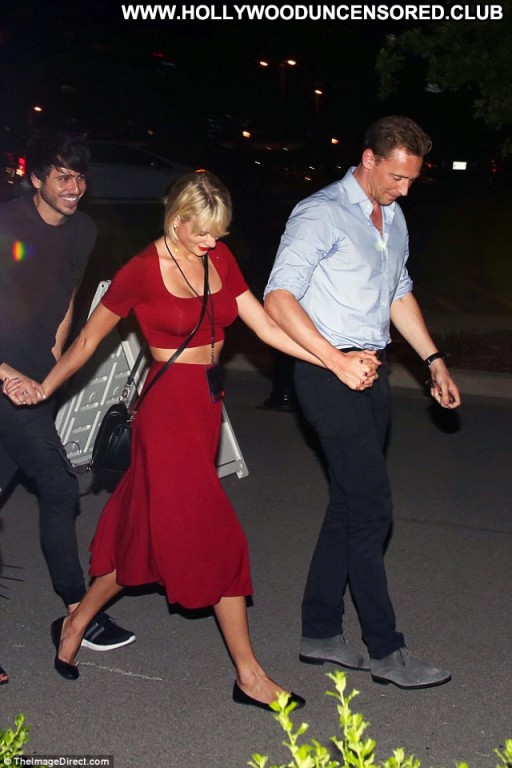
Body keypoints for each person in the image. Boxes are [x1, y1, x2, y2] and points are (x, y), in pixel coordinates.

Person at [6, 170, 324, 709]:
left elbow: (266, 327)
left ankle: (76, 621)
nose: (212, 242)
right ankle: (249, 676)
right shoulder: (140, 270)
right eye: (202, 232)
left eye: (219, 233)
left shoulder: (218, 258)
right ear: (177, 220)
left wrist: (332, 361)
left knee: (144, 532)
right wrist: (43, 387)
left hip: (206, 407)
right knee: (219, 535)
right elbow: (86, 341)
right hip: (166, 414)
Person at [263, 115, 461, 690]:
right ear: (369, 159)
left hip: (371, 373)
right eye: (397, 177)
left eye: (412, 180)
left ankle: (320, 632)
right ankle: (386, 650)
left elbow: (398, 291)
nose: (405, 189)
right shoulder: (320, 213)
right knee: (373, 508)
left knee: (349, 505)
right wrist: (334, 359)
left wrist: (433, 360)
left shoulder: (392, 218)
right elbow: (278, 297)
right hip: (327, 374)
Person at [0, 128, 134, 652]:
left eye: (79, 176)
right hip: (6, 378)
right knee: (58, 486)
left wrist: (55, 362)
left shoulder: (83, 230)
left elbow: (69, 294)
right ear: (36, 179)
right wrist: (7, 374)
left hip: (38, 379)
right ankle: (78, 611)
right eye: (62, 177)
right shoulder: (8, 225)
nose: (74, 187)